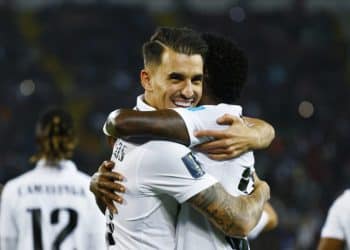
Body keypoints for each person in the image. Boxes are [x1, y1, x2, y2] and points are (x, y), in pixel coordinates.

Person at [91, 27, 271, 250]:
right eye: (176, 78)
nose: (188, 92)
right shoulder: (164, 149)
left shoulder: (132, 137)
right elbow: (241, 221)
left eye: (196, 80)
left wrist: (259, 132)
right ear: (147, 80)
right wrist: (263, 190)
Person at [0, 108, 106, 250]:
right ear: (72, 141)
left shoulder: (13, 190)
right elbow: (98, 245)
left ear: (38, 140)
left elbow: (6, 245)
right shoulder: (90, 190)